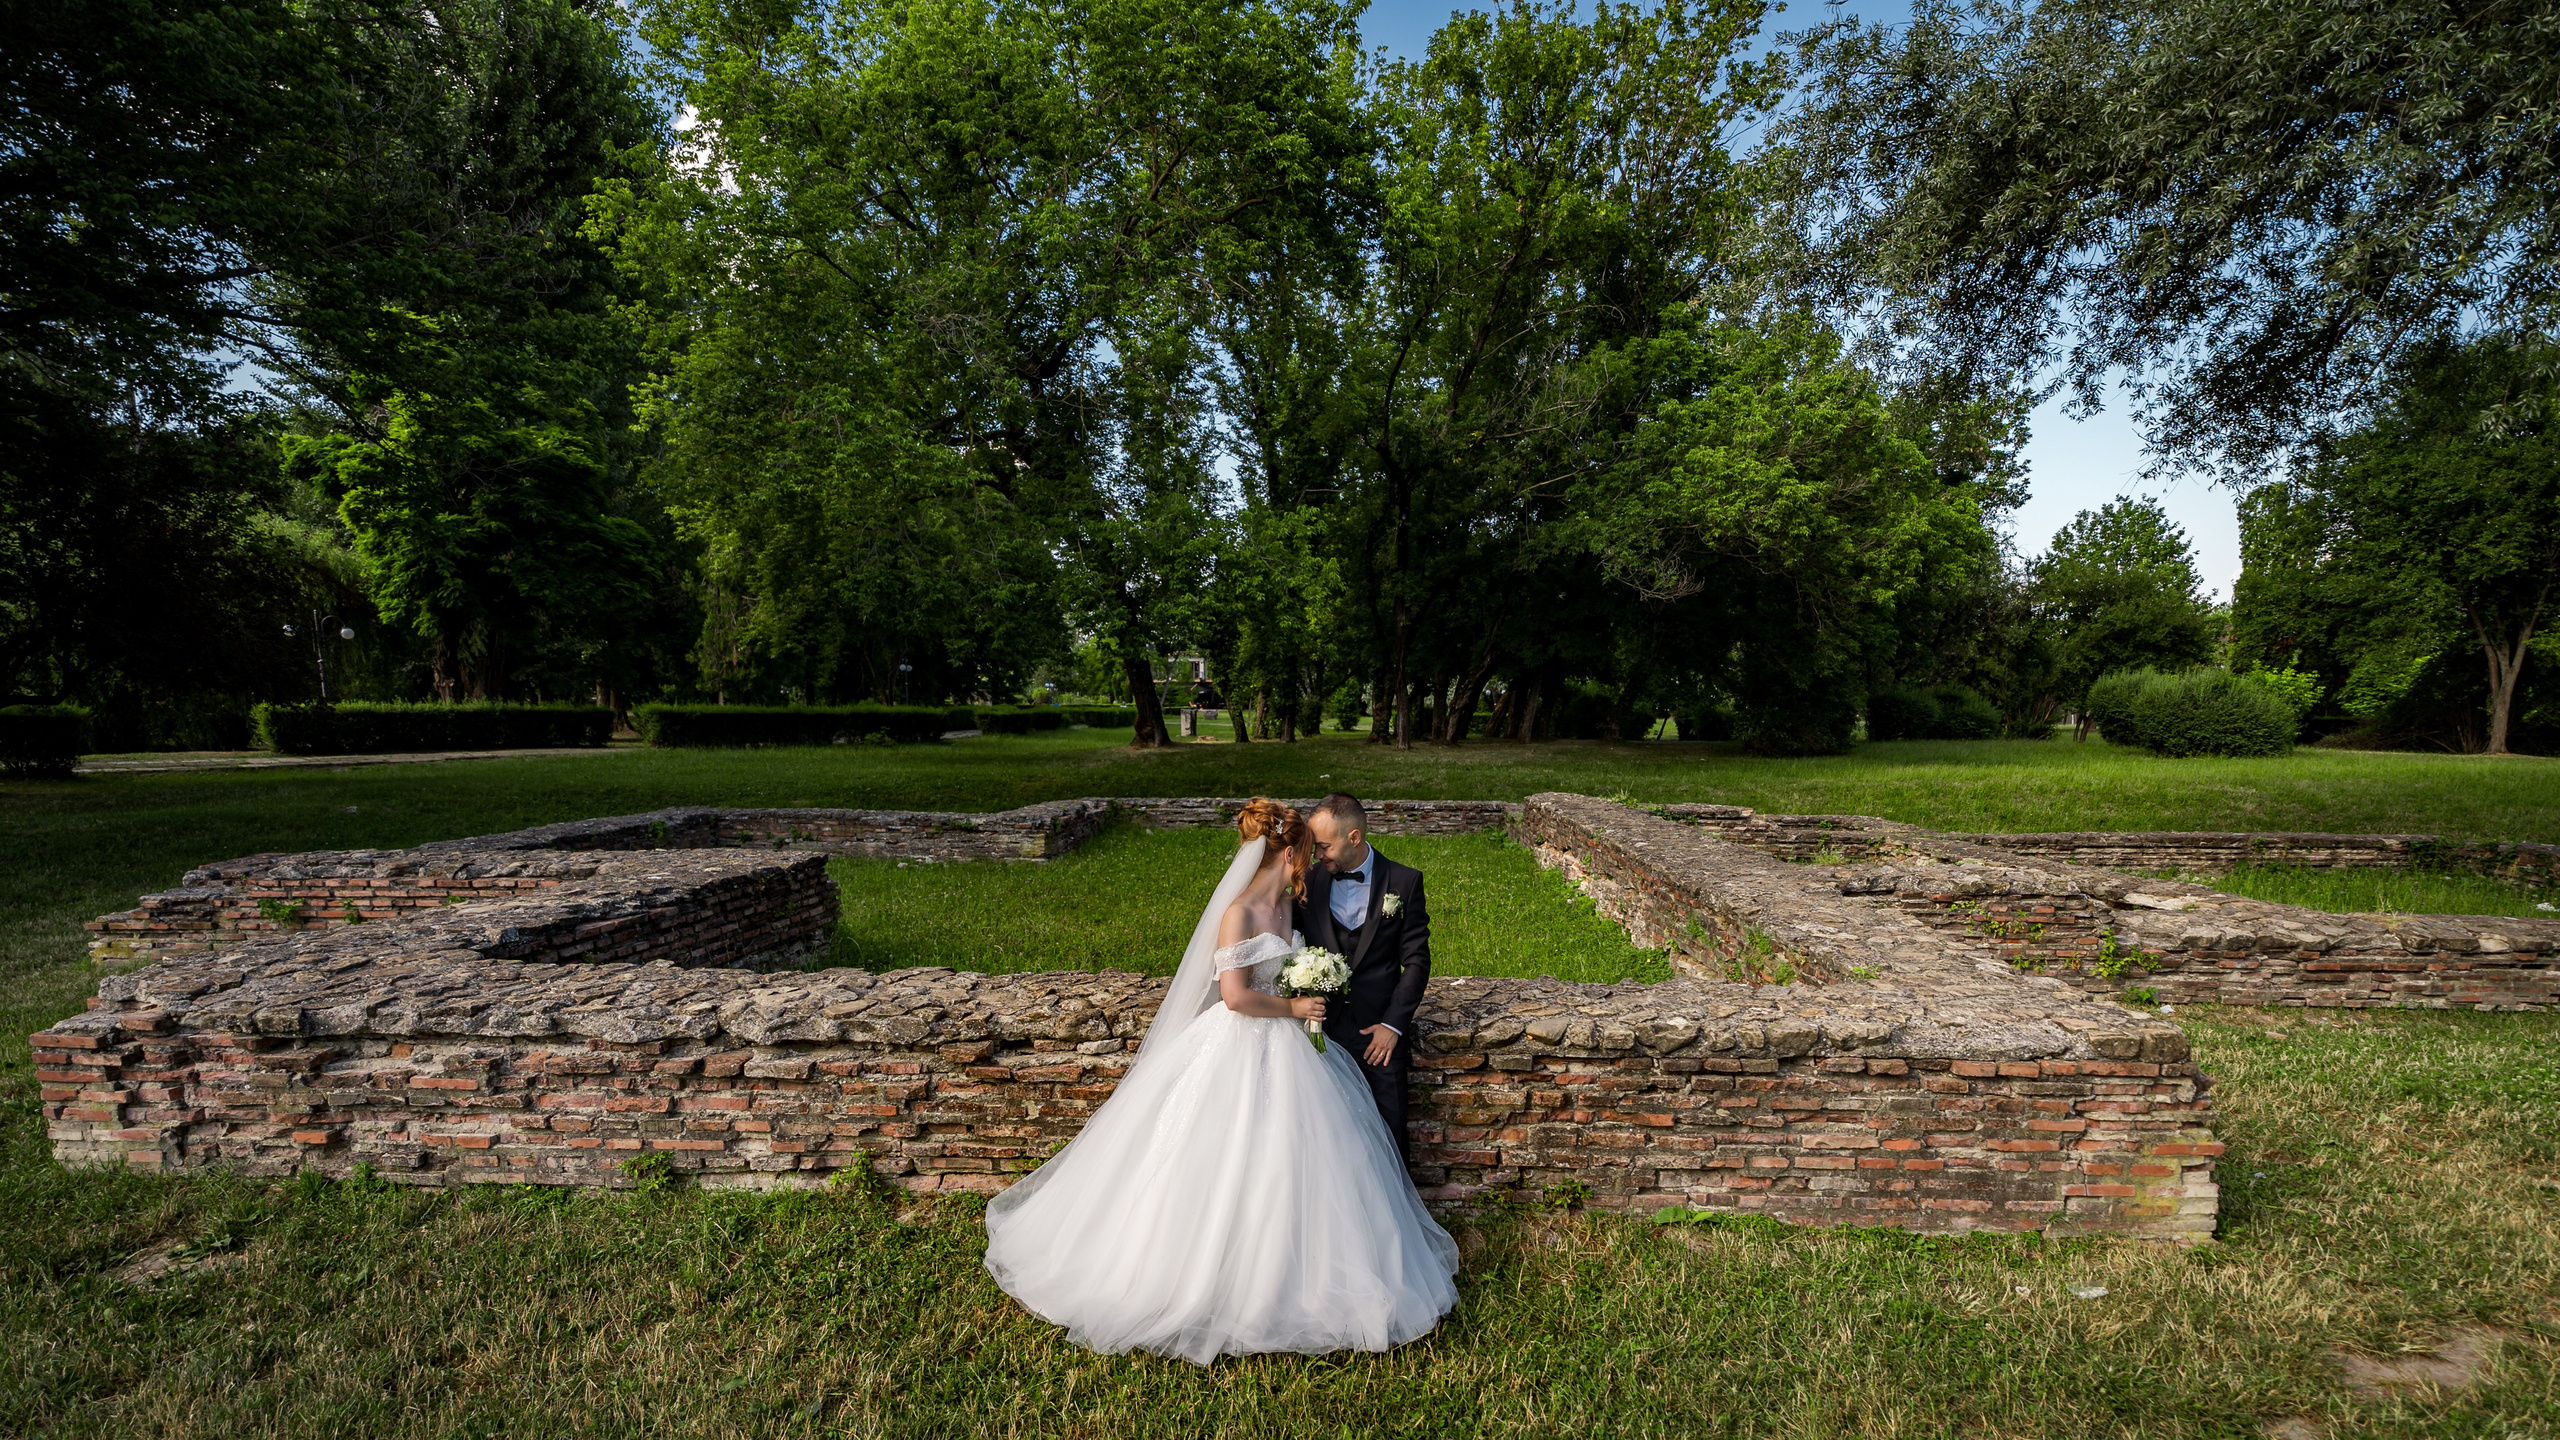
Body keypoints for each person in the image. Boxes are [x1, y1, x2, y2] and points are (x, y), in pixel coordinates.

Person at [982, 799, 1460, 1364]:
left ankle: (1298, 1267)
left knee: (1299, 1157)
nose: (1319, 861)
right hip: (1241, 1042)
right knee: (1221, 1154)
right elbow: (1234, 997)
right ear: (1289, 850)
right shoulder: (1240, 913)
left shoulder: (1290, 904)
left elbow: (1378, 955)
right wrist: (1294, 1006)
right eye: (1311, 849)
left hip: (1298, 1050)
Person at [1296, 791, 1431, 1155]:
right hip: (1322, 1034)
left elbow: (1417, 961)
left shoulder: (1404, 883)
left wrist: (1392, 1026)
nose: (1317, 855)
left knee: (1389, 1131)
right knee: (1328, 1136)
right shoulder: (1305, 884)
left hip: (1379, 1037)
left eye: (1323, 846)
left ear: (1353, 837)